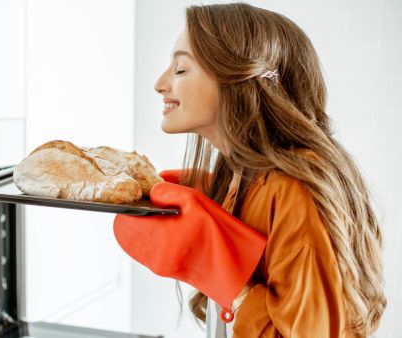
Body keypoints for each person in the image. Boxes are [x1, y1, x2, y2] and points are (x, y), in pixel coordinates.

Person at [113, 3, 386, 337]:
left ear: (236, 78)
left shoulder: (293, 188)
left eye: (181, 69)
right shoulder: (237, 173)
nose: (160, 84)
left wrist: (226, 274)